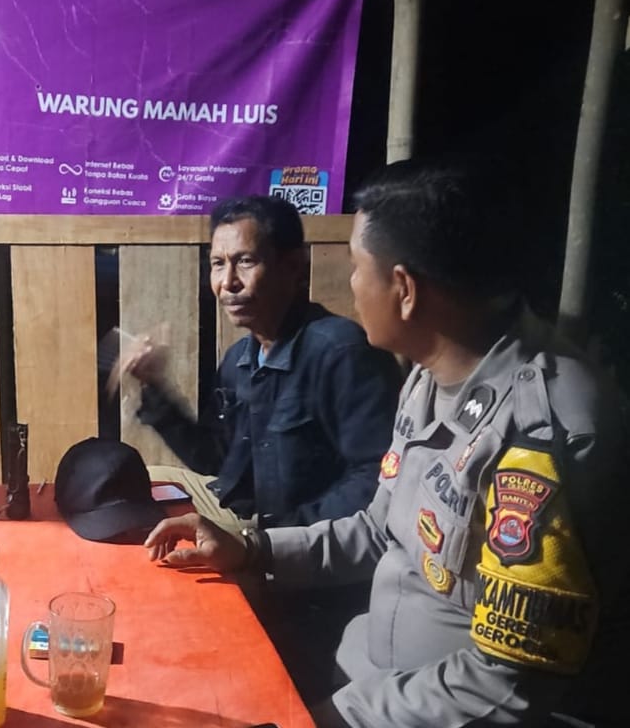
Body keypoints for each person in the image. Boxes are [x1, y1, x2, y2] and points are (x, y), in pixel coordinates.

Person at [145, 160, 630, 727]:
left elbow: (511, 682)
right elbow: (379, 529)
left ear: (403, 289)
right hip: (364, 667)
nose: (351, 286)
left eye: (356, 267)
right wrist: (252, 548)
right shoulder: (430, 376)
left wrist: (326, 719)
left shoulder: (542, 430)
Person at [117, 194, 401, 533]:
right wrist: (154, 387)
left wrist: (273, 540)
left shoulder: (343, 353)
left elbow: (377, 480)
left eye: (246, 261)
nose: (228, 283)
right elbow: (218, 461)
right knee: (149, 484)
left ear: (293, 266)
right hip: (259, 521)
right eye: (218, 264)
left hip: (313, 541)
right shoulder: (240, 360)